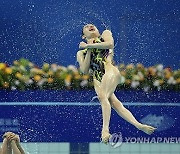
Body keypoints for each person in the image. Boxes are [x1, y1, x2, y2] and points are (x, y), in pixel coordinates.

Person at [77, 24, 156, 144]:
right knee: (115, 103)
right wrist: (88, 50)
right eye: (86, 27)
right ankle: (138, 125)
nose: (90, 26)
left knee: (103, 97)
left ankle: (105, 130)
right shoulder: (81, 53)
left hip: (110, 70)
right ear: (83, 36)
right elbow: (84, 70)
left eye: (92, 25)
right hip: (97, 79)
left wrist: (89, 45)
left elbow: (110, 45)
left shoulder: (105, 34)